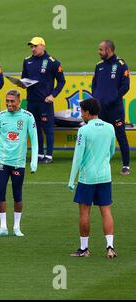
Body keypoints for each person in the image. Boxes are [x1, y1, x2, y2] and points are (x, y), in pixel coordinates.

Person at [0, 89, 38, 237]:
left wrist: (34, 161)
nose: (9, 104)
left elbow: (34, 139)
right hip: (2, 160)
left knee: (17, 194)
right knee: (0, 192)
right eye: (7, 101)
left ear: (19, 101)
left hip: (18, 162)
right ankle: (3, 227)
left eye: (12, 101)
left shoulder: (27, 117)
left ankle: (16, 226)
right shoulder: (1, 116)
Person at [68, 98, 117, 259]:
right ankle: (110, 247)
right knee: (106, 211)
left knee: (84, 212)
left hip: (87, 178)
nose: (81, 114)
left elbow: (77, 157)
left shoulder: (84, 130)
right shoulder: (110, 128)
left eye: (82, 111)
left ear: (88, 112)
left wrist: (71, 180)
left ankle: (84, 249)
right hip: (105, 176)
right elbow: (111, 151)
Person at [21, 37, 65, 164]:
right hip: (32, 100)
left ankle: (49, 155)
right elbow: (24, 78)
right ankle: (39, 153)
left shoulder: (52, 62)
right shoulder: (27, 61)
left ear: (42, 46)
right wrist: (22, 84)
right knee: (35, 128)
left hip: (45, 102)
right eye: (31, 47)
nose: (33, 49)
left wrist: (53, 95)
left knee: (48, 128)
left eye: (35, 46)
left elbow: (62, 81)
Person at [92, 40, 131, 176]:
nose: (99, 52)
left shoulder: (121, 65)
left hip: (115, 109)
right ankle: (100, 164)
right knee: (100, 136)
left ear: (108, 50)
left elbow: (125, 87)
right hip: (101, 109)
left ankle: (126, 165)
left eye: (101, 50)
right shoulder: (99, 66)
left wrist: (111, 99)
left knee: (120, 136)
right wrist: (96, 99)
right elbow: (94, 84)